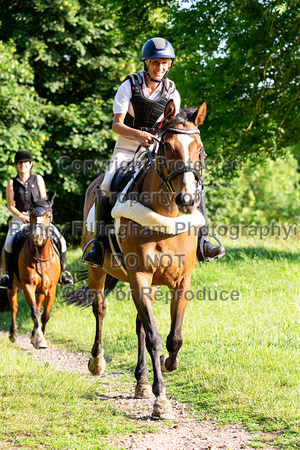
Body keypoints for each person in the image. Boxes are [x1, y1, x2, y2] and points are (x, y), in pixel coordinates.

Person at [83, 37, 224, 267]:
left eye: (165, 63)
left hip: (158, 148)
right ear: (146, 64)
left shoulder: (172, 91)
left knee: (192, 183)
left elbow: (176, 128)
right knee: (107, 185)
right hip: (127, 148)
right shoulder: (129, 85)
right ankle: (98, 245)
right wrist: (138, 135)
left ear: (169, 65)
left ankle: (203, 240)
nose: (160, 67)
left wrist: (190, 152)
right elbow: (116, 125)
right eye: (156, 63)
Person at [0, 149, 73, 288]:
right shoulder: (11, 183)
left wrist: (39, 217)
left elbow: (44, 202)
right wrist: (21, 216)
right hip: (19, 219)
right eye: (20, 163)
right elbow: (10, 205)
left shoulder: (38, 178)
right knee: (9, 243)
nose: (23, 165)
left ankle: (62, 273)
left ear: (31, 164)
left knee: (61, 240)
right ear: (16, 165)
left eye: (26, 163)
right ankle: (8, 276)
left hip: (39, 218)